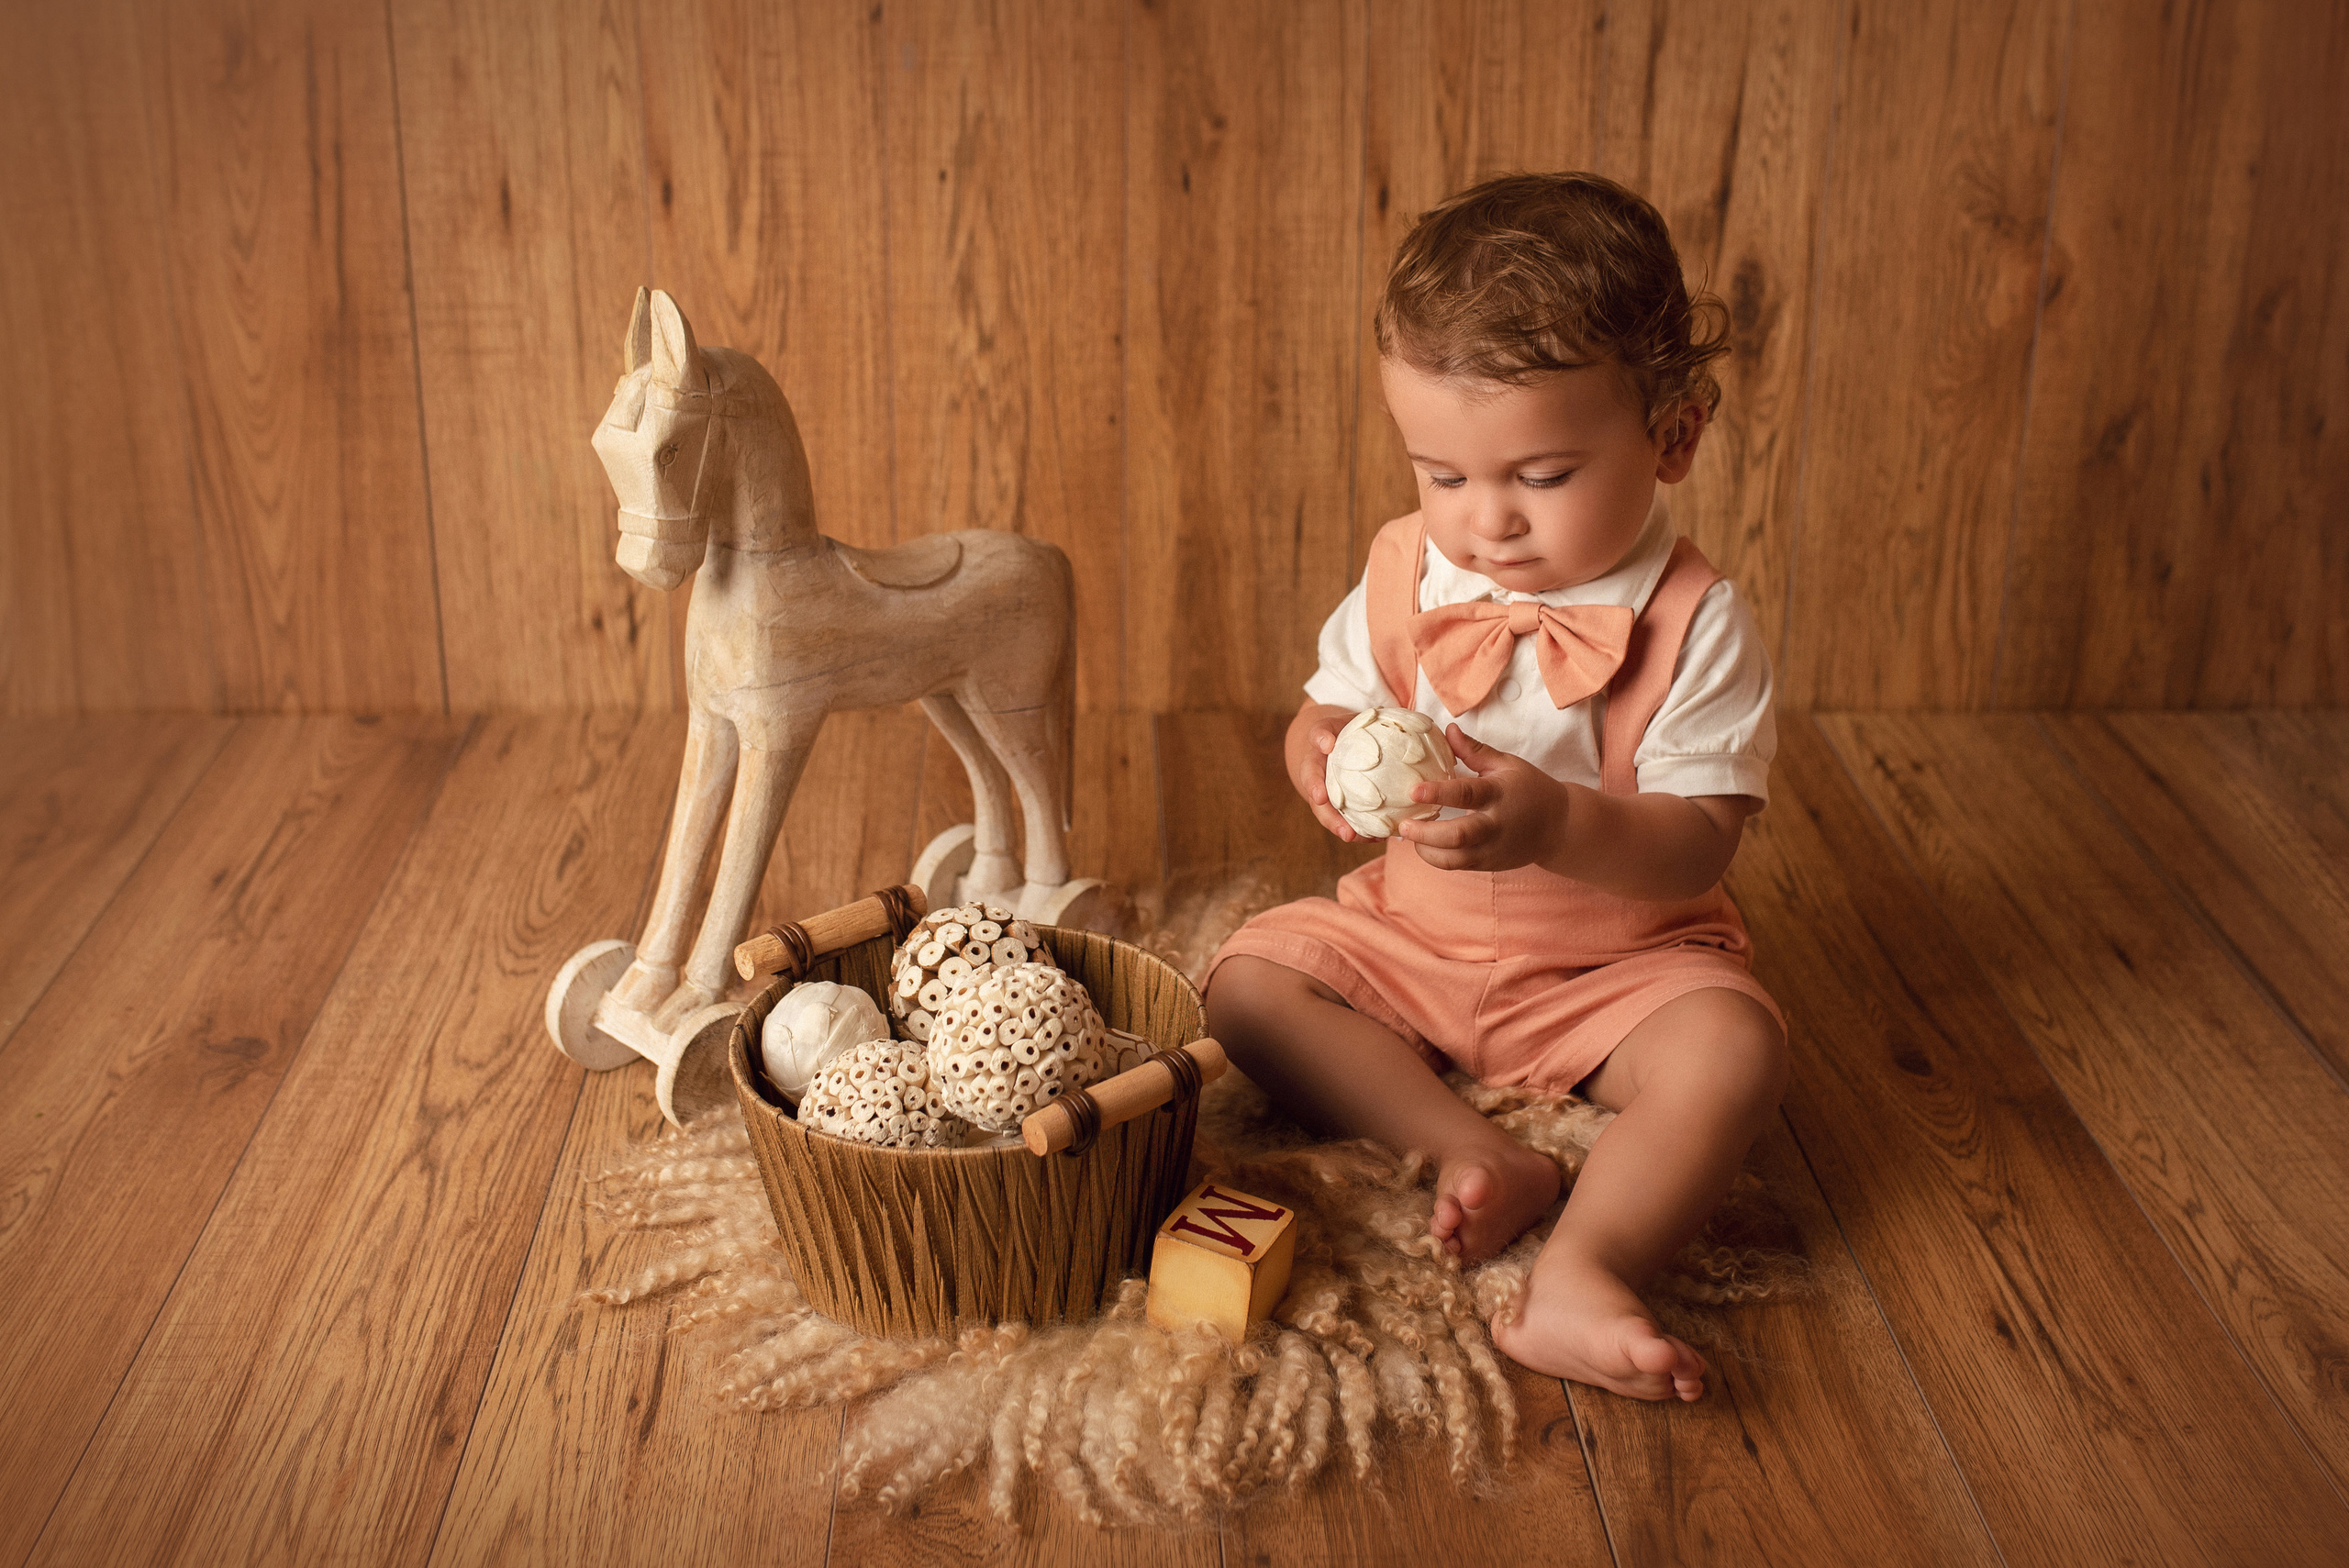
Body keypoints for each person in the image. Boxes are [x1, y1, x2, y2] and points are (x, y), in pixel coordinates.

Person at [1202, 172, 1786, 1403]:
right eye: (1445, 474)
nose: (1489, 523)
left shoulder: (1695, 622)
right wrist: (1316, 751)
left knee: (1732, 1048)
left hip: (1613, 972)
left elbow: (1698, 846)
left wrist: (1561, 821)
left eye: (1543, 474)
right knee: (1247, 983)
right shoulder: (1408, 568)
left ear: (1672, 436)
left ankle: (1586, 1266)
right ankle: (1469, 1148)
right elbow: (1333, 699)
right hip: (1414, 937)